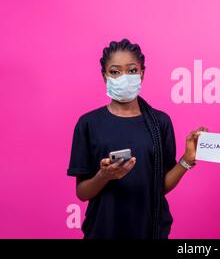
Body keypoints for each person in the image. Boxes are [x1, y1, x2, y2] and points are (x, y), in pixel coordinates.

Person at [67, 38, 207, 239]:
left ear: (142, 73)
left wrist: (186, 159)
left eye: (131, 70)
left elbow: (160, 187)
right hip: (102, 231)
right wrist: (104, 176)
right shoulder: (88, 124)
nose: (124, 77)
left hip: (149, 231)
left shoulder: (160, 122)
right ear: (105, 77)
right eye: (115, 71)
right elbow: (82, 193)